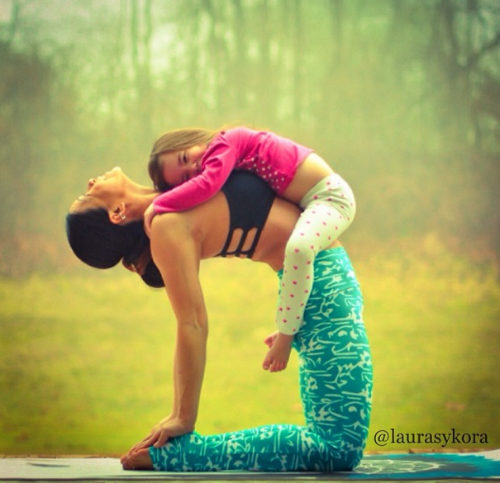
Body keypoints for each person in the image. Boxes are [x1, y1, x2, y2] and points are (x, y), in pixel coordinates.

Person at [66, 167, 372, 473]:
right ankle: (186, 455)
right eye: (86, 195)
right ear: (117, 213)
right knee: (338, 449)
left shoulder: (177, 176)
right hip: (324, 291)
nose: (90, 181)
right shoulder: (166, 226)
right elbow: (192, 323)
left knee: (337, 446)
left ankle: (184, 452)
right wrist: (182, 417)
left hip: (315, 288)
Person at [146, 126, 356, 372]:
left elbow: (207, 184)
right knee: (296, 253)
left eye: (184, 157)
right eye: (185, 178)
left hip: (331, 198)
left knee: (299, 249)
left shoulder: (226, 143)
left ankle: (286, 335)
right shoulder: (223, 157)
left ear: (188, 140)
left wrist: (158, 204)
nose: (193, 168)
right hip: (314, 202)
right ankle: (292, 325)